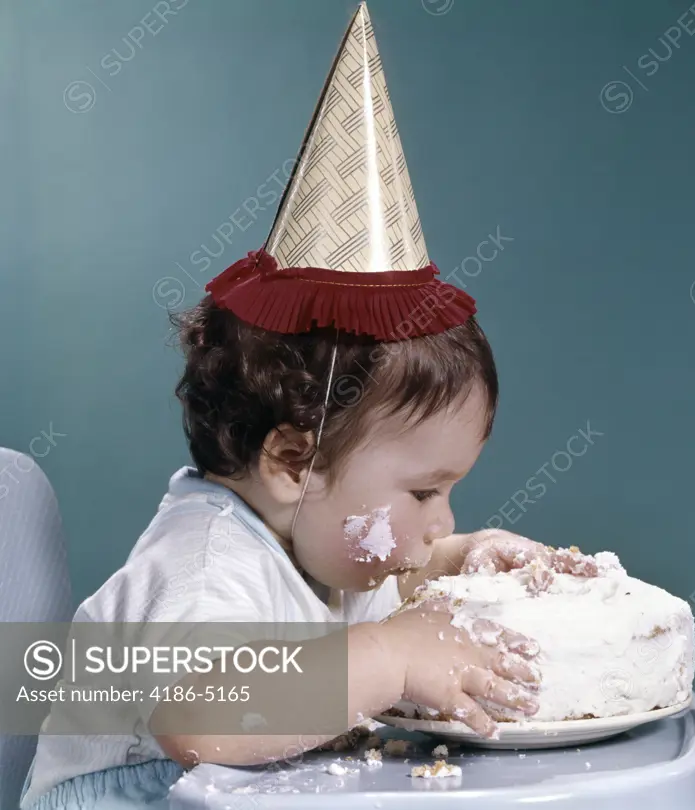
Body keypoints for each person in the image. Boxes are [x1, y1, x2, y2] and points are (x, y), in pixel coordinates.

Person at [21, 5, 597, 808]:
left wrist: (459, 559)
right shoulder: (207, 567)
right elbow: (201, 714)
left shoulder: (322, 538)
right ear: (294, 461)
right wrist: (394, 658)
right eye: (425, 492)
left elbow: (364, 583)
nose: (437, 518)